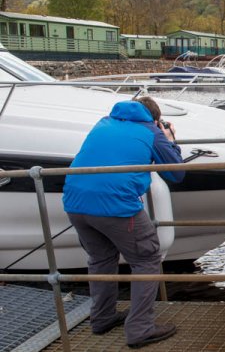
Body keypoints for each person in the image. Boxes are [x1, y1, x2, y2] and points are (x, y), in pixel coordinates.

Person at [63, 96, 184, 349]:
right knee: (147, 259)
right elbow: (176, 173)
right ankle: (140, 329)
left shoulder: (104, 122)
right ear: (155, 119)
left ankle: (102, 318)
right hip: (115, 205)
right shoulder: (151, 130)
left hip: (74, 201)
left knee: (101, 259)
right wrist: (171, 141)